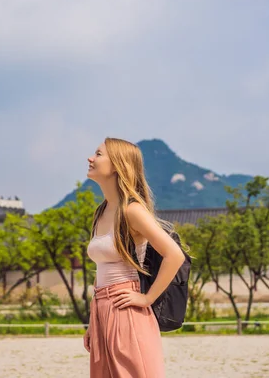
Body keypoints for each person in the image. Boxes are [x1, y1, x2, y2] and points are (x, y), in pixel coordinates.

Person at [83, 137, 186, 378]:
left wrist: (147, 298)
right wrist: (92, 321)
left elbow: (174, 255)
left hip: (126, 308)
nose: (90, 158)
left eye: (98, 154)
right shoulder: (102, 211)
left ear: (118, 165)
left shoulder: (132, 210)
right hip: (101, 308)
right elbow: (102, 272)